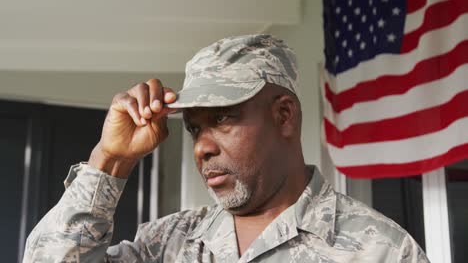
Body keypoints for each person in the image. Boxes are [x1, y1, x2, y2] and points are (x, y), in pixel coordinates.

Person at [23, 34, 429, 262]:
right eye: (195, 127)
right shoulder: (167, 243)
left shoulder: (381, 250)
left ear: (284, 115)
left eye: (221, 119)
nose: (201, 147)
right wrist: (110, 161)